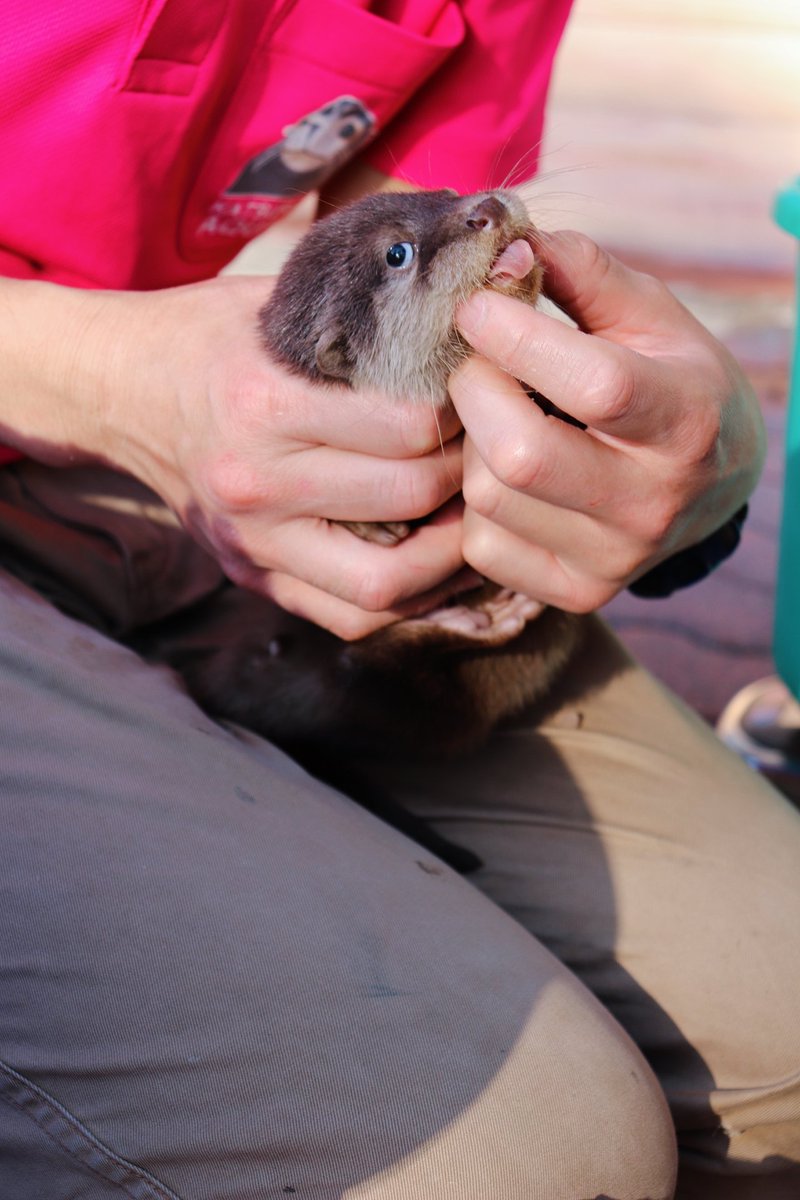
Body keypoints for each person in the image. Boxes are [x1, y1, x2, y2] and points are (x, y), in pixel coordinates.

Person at [1, 3, 798, 1198]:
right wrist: (118, 380)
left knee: (784, 1029)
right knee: (531, 1161)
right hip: (97, 420)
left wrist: (698, 461)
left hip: (211, 479)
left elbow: (418, 227)